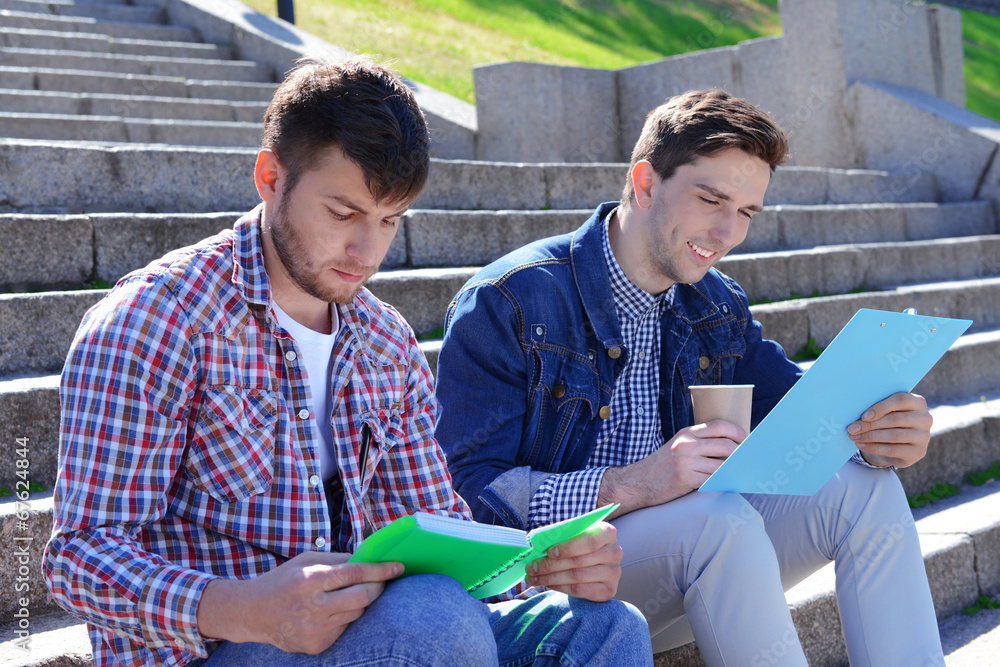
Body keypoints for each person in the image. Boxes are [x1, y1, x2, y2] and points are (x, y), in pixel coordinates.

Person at [43, 57, 653, 667]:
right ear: (270, 176)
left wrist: (538, 566)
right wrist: (243, 606)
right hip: (213, 648)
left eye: (389, 220)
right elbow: (77, 556)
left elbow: (434, 525)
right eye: (343, 214)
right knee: (431, 621)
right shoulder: (156, 319)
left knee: (604, 628)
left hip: (372, 633)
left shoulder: (384, 339)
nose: (366, 251)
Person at [434, 89, 945, 666]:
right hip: (552, 584)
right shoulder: (512, 301)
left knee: (864, 490)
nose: (728, 232)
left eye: (747, 212)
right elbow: (464, 497)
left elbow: (811, 415)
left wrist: (880, 432)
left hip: (690, 571)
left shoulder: (714, 303)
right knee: (715, 520)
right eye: (711, 200)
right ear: (646, 182)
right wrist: (631, 485)